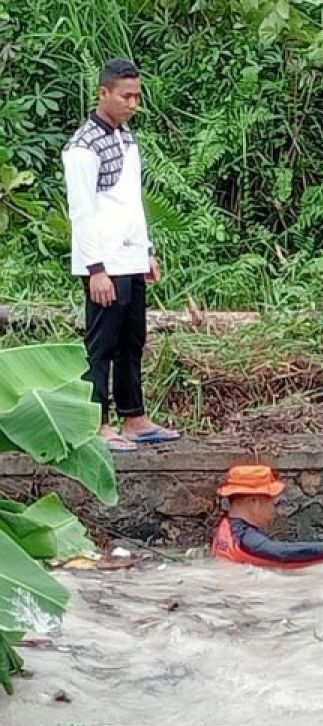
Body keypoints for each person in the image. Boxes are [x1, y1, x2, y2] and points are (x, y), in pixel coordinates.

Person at [63, 58, 180, 452]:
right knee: (102, 344)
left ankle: (134, 416)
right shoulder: (82, 147)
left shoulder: (126, 138)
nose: (132, 103)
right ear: (103, 93)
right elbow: (81, 211)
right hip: (103, 262)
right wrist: (95, 268)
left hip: (129, 257)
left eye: (137, 96)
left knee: (133, 339)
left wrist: (145, 251)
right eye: (126, 96)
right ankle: (96, 422)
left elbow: (130, 203)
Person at [212, 465, 323, 568]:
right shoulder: (245, 538)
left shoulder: (225, 527)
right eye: (271, 503)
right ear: (253, 502)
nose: (274, 510)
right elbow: (281, 553)